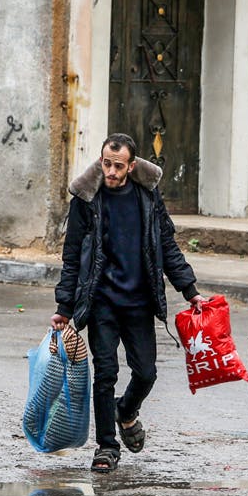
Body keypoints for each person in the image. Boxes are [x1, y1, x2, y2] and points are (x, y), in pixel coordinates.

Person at [51, 133, 205, 473]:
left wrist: (189, 290)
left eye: (118, 166)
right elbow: (72, 256)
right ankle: (106, 446)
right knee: (105, 373)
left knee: (146, 373)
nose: (111, 172)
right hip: (101, 301)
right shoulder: (87, 199)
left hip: (138, 301)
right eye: (106, 164)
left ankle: (126, 411)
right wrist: (64, 307)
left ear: (131, 166)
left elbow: (166, 244)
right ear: (101, 160)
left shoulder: (146, 196)